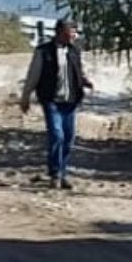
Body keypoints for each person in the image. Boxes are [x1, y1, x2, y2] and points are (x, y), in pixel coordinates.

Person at [18, 17, 94, 189]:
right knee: (57, 135)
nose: (73, 36)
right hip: (51, 100)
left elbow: (78, 71)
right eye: (70, 33)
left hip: (71, 101)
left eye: (74, 33)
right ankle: (55, 173)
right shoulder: (43, 52)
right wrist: (25, 97)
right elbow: (33, 75)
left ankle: (62, 172)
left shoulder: (74, 51)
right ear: (60, 32)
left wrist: (85, 81)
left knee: (68, 138)